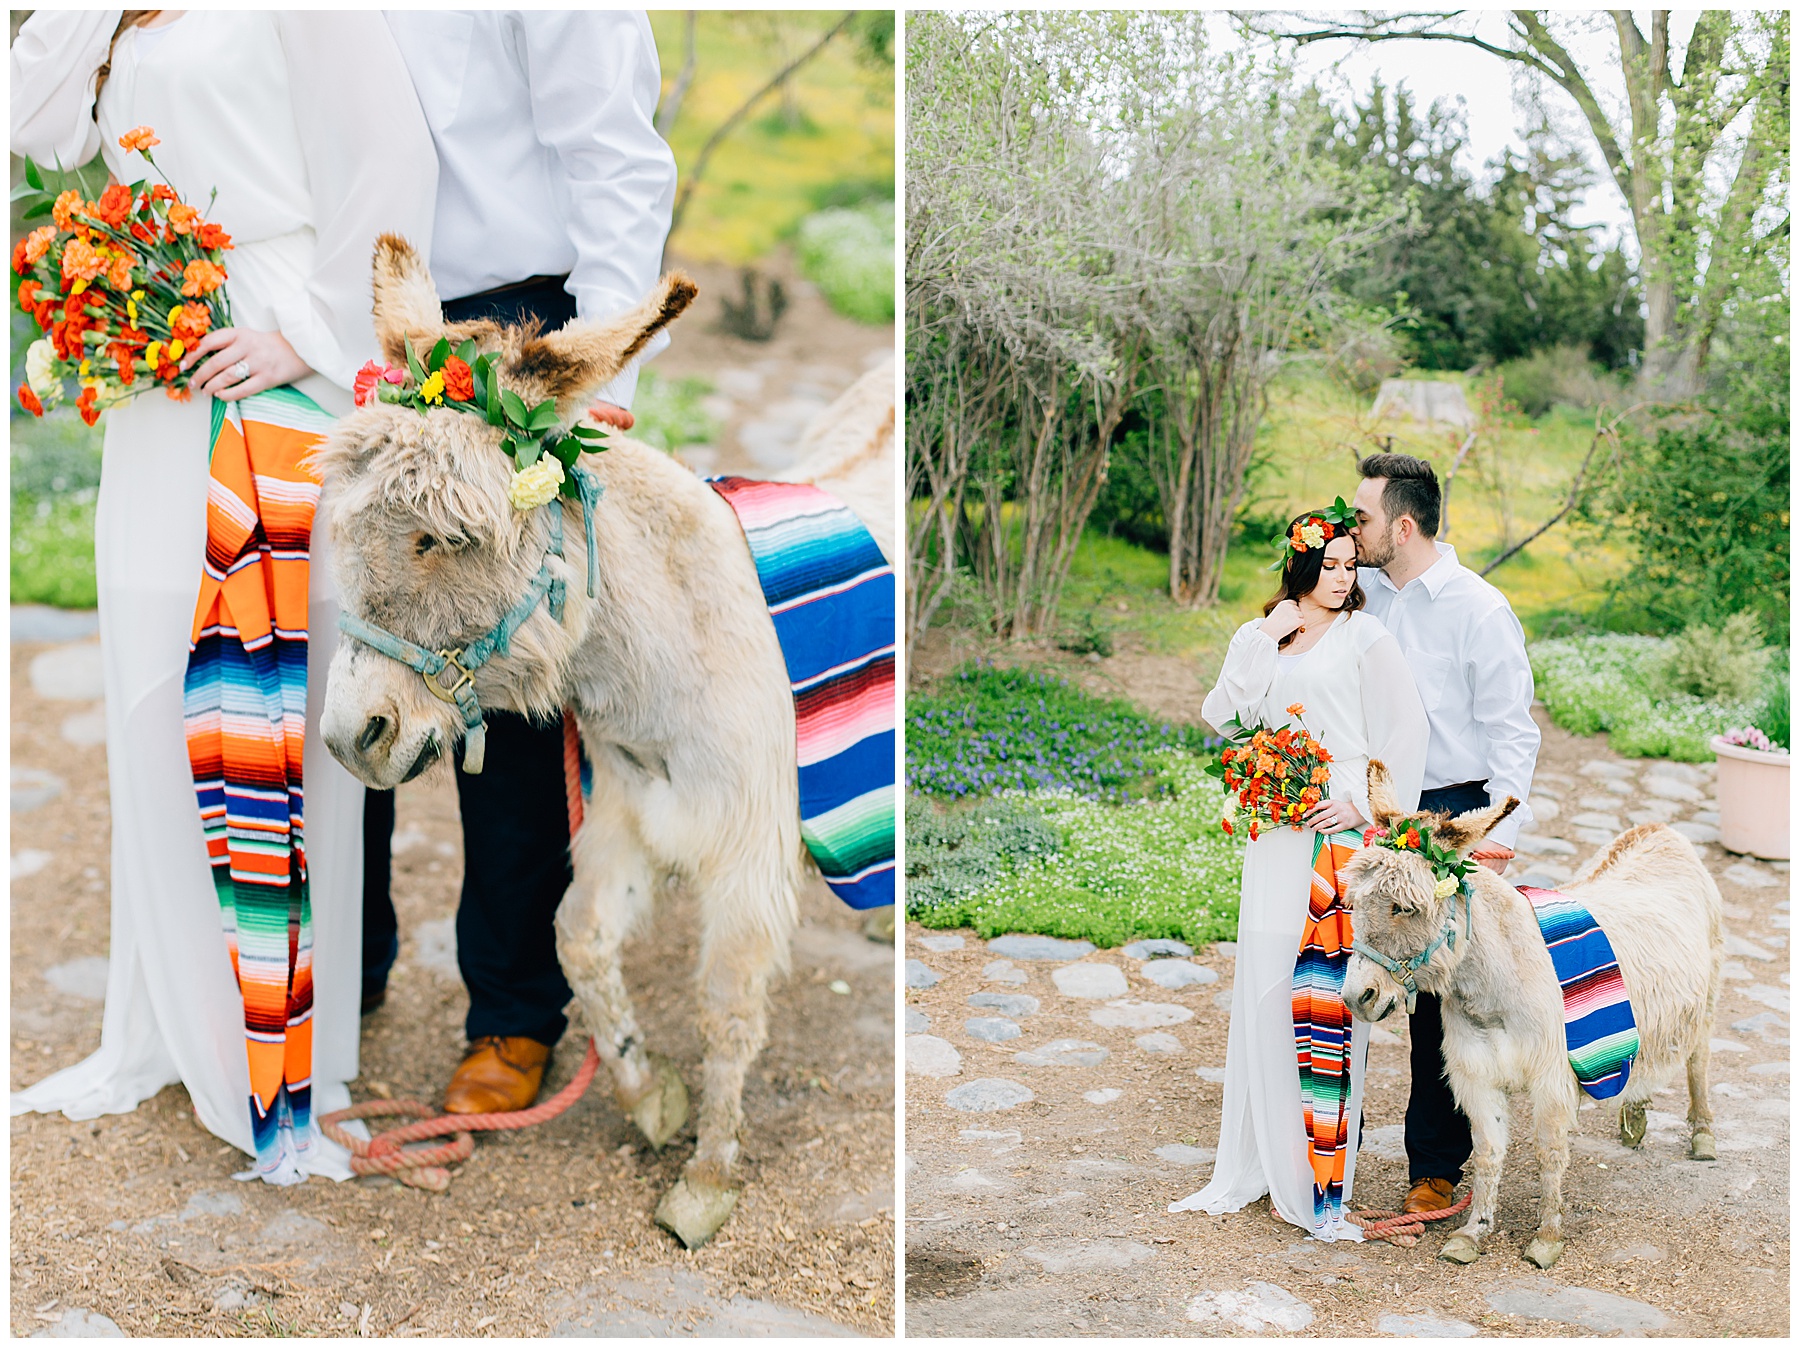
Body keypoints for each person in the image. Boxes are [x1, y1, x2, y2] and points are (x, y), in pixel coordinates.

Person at [9, 9, 436, 1182]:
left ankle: (286, 1042)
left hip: (273, 348)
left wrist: (304, 333)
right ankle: (175, 1026)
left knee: (267, 706)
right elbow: (30, 130)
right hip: (159, 364)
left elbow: (396, 162)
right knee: (154, 680)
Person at [368, 11, 678, 1116]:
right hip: (348, 318)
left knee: (509, 690)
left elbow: (612, 147)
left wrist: (601, 357)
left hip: (515, 320)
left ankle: (510, 1012)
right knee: (361, 651)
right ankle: (347, 968)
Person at [1172, 510, 1429, 1241]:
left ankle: (1317, 1176)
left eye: (1354, 565)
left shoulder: (1365, 638)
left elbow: (1405, 734)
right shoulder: (1268, 634)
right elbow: (1226, 715)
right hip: (1276, 833)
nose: (1345, 576)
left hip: (1336, 836)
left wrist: (1359, 802)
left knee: (1321, 997)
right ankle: (1254, 1164)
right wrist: (1265, 635)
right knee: (1264, 982)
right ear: (1302, 565)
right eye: (1333, 563)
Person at [1349, 451, 1541, 1216]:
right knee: (1351, 962)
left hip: (1451, 811)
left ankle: (1435, 1166)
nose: (1348, 527)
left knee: (1438, 992)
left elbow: (1510, 731)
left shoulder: (1479, 609)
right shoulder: (1354, 591)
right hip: (1370, 800)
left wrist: (1498, 831)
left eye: (1360, 516)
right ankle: (1323, 1145)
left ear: (1403, 523)